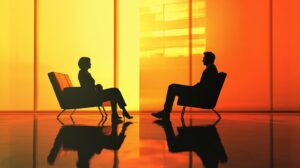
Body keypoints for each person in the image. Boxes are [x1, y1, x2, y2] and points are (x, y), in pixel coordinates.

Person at [152, 51, 218, 120]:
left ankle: (166, 111)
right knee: (172, 87)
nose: (202, 60)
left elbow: (204, 87)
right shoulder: (212, 69)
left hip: (197, 93)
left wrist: (194, 88)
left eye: (204, 58)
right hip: (197, 91)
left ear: (208, 59)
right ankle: (166, 111)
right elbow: (204, 85)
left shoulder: (210, 70)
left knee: (172, 87)